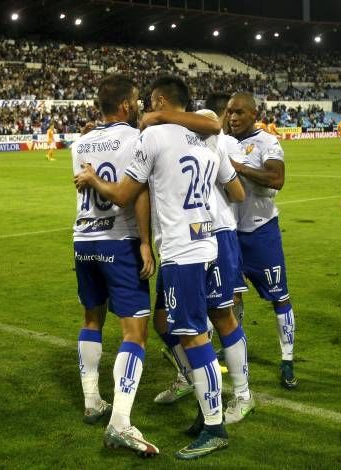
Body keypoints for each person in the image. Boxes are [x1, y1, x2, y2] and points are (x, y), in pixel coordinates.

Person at [76, 76, 242, 460]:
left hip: (182, 249)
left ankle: (215, 427)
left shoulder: (154, 137)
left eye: (150, 102)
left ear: (162, 102)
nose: (144, 109)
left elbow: (122, 194)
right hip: (205, 242)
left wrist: (92, 178)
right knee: (185, 329)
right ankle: (207, 414)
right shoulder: (203, 139)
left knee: (194, 337)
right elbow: (231, 184)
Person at [151, 93, 255, 426]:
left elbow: (237, 193)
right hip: (182, 238)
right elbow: (237, 192)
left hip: (212, 234)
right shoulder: (198, 137)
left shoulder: (208, 137)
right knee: (164, 320)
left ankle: (240, 395)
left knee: (217, 318)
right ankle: (191, 378)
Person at [71, 74, 158, 456]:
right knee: (134, 332)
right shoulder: (136, 140)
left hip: (83, 239)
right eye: (137, 100)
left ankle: (92, 399)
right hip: (117, 242)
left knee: (92, 319)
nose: (139, 105)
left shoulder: (80, 142)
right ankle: (120, 421)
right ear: (126, 104)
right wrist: (144, 243)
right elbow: (136, 195)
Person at [227, 92, 298, 390]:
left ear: (254, 114)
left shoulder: (267, 142)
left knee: (278, 296)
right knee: (231, 297)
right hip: (229, 233)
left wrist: (239, 167)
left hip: (261, 231)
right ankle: (235, 352)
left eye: (239, 112)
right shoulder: (223, 141)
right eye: (229, 112)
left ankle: (287, 359)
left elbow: (276, 179)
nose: (233, 117)